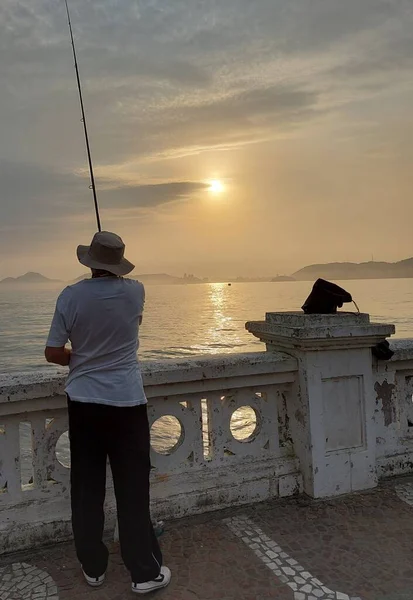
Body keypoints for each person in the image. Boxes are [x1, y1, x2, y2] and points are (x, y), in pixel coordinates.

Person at [44, 231, 171, 595]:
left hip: (84, 403)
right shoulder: (136, 291)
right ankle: (143, 571)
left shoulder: (70, 296)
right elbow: (133, 324)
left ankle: (93, 566)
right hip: (128, 403)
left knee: (87, 487)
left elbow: (53, 352)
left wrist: (78, 357)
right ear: (118, 262)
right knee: (133, 489)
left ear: (90, 261)